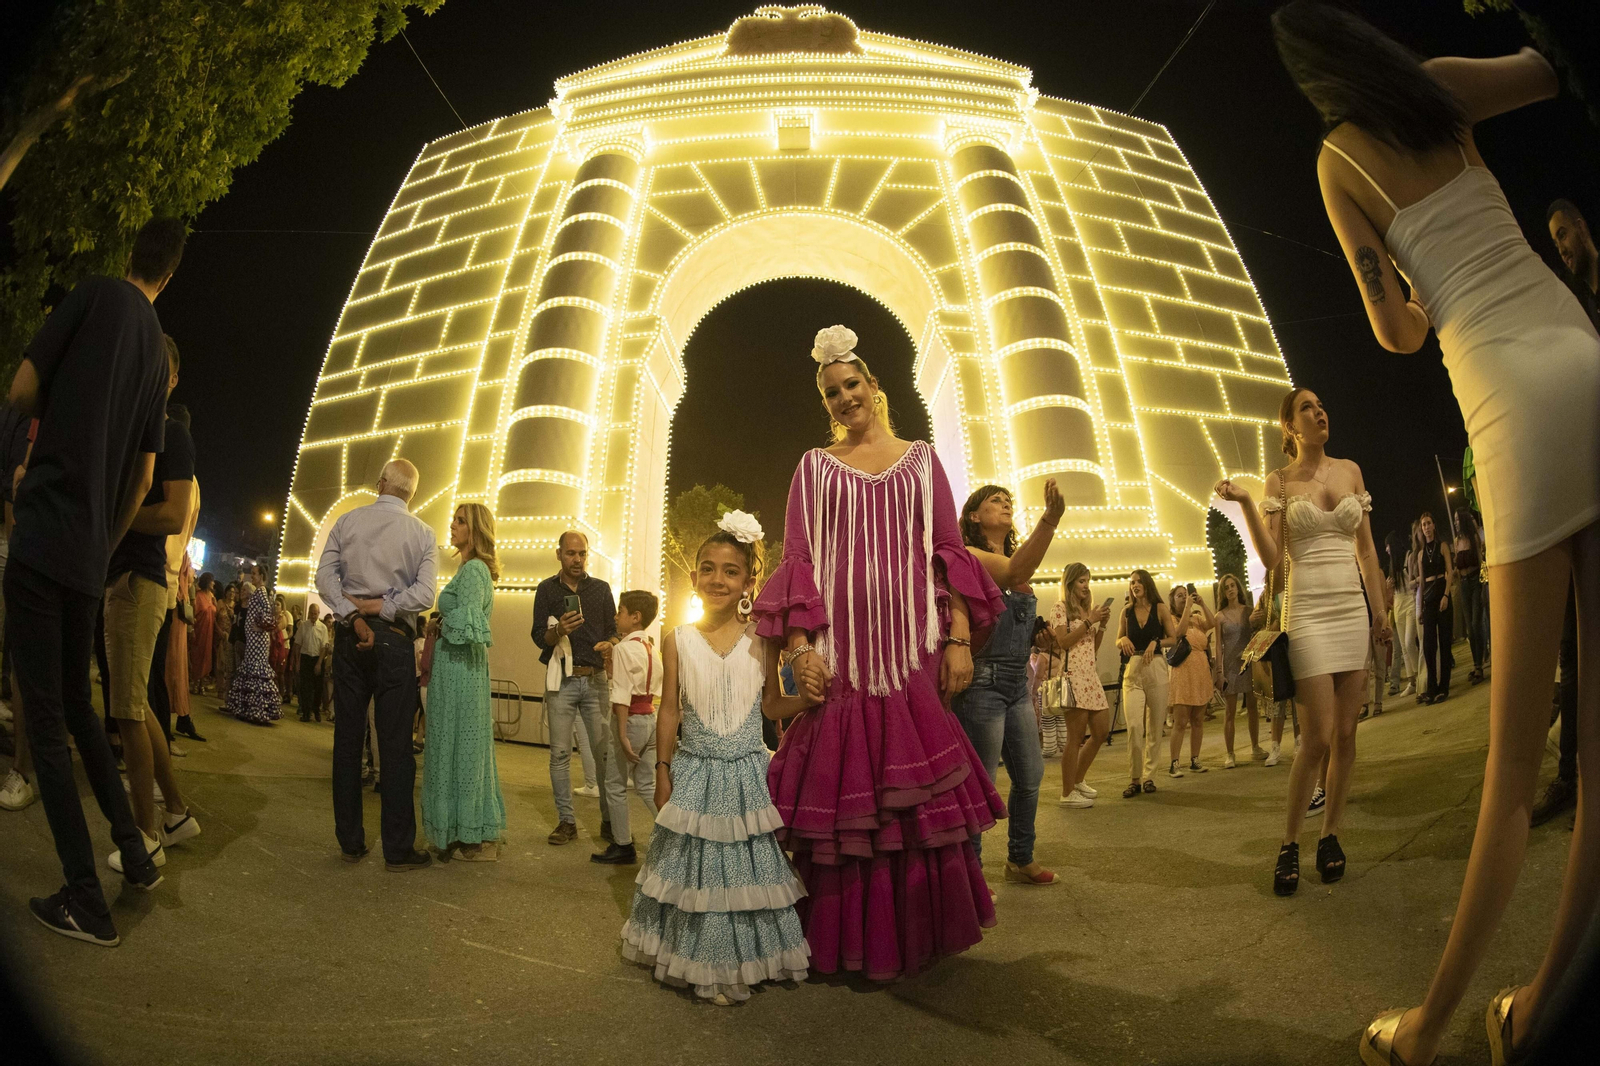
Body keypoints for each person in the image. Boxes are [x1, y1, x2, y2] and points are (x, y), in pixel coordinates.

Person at [1273, 9, 1600, 1060]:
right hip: (1581, 352)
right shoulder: (1441, 89)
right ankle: (1540, 998)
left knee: (1508, 776)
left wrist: (1412, 284)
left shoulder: (1338, 155)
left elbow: (1398, 332)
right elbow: (1552, 71)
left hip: (1508, 397)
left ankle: (1426, 1027)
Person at [754, 325, 1005, 980]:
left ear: (873, 387)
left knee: (910, 809)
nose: (843, 398)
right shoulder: (812, 467)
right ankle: (848, 943)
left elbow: (947, 555)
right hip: (838, 663)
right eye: (832, 392)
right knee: (849, 810)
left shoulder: (922, 459)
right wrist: (801, 649)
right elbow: (800, 562)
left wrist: (954, 640)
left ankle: (913, 938)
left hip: (912, 654)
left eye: (851, 385)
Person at [4, 216, 187, 943]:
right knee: (80, 708)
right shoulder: (157, 358)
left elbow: (21, 388)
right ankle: (134, 854)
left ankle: (85, 895)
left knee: (45, 719)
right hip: (87, 555)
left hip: (43, 529)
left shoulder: (93, 295)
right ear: (169, 275)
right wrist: (104, 540)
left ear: (128, 254)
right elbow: (144, 476)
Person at [621, 518, 813, 1004]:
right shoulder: (676, 638)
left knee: (743, 878)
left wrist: (808, 702)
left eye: (731, 571)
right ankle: (700, 961)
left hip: (747, 774)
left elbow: (771, 706)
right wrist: (662, 771)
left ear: (749, 581)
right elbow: (670, 710)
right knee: (694, 876)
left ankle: (741, 962)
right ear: (695, 578)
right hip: (694, 771)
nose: (717, 579)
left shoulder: (762, 639)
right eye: (708, 569)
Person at [1216, 387, 1389, 898]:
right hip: (1309, 611)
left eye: (1321, 405)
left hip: (1352, 610)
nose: (1320, 412)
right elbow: (1271, 558)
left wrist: (1379, 612)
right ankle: (1289, 842)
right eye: (1307, 408)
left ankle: (1330, 835)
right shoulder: (1280, 482)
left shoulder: (1350, 470)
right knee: (1316, 736)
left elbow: (1369, 553)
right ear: (1290, 426)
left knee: (1348, 735)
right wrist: (1247, 501)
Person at [315, 459, 438, 871]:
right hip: (396, 640)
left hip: (352, 638)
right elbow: (424, 593)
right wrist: (386, 606)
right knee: (397, 747)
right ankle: (398, 848)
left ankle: (351, 841)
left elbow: (324, 576)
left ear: (381, 483)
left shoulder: (348, 521)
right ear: (412, 494)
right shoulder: (422, 533)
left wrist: (352, 613)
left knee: (348, 743)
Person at [955, 479, 1065, 887]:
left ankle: (1020, 857)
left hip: (1017, 682)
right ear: (972, 516)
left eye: (1007, 500)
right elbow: (1017, 570)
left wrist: (1034, 632)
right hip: (982, 681)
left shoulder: (1015, 563)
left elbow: (1017, 578)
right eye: (993, 501)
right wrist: (1050, 519)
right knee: (982, 781)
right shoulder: (970, 555)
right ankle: (971, 872)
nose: (1004, 504)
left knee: (1030, 775)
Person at [531, 530, 631, 862]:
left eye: (582, 554)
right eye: (571, 553)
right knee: (559, 753)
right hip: (561, 678)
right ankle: (566, 821)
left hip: (596, 680)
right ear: (559, 554)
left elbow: (615, 631)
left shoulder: (600, 589)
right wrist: (559, 629)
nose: (577, 559)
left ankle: (608, 819)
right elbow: (538, 636)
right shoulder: (547, 590)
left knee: (604, 755)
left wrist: (611, 645)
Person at [420, 503, 505, 861]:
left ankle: (468, 834)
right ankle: (463, 829)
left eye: (460, 521)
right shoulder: (471, 569)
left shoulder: (472, 569)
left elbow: (467, 626)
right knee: (459, 746)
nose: (452, 526)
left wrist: (441, 622)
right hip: (459, 667)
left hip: (459, 669)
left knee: (457, 745)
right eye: (453, 519)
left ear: (475, 530)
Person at [1049, 562, 1111, 806]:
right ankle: (1066, 793)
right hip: (1073, 676)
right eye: (1081, 581)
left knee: (1101, 731)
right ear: (1070, 583)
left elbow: (1092, 650)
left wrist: (1101, 624)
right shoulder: (1060, 608)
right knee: (1075, 737)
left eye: (1088, 580)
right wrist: (1089, 622)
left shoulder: (1086, 612)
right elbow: (1063, 642)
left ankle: (1077, 780)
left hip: (1090, 676)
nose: (1086, 586)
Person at [597, 590, 663, 816]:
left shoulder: (623, 648)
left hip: (631, 720)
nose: (616, 617)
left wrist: (622, 734)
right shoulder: (653, 650)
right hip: (651, 719)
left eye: (620, 611)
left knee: (615, 786)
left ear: (635, 616)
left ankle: (622, 844)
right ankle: (671, 838)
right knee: (647, 785)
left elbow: (623, 694)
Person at [0, 398, 35, 811]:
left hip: (27, 545)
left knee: (24, 666)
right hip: (18, 541)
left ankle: (23, 769)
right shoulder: (18, 412)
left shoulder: (45, 409)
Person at [1116, 569, 1178, 797]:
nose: (1135, 585)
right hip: (1133, 669)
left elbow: (1173, 637)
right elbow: (1117, 639)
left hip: (1157, 667)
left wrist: (1157, 643)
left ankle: (1149, 776)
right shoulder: (1126, 611)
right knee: (1134, 726)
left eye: (1139, 582)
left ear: (1147, 584)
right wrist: (1121, 638)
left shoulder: (1160, 609)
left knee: (1155, 727)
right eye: (1132, 582)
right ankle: (1135, 779)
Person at [1213, 573, 1264, 767]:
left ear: (1238, 588)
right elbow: (1218, 646)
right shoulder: (1219, 616)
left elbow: (1258, 633)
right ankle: (1230, 753)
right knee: (1230, 711)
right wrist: (1219, 671)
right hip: (1231, 666)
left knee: (1252, 707)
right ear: (1223, 593)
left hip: (1248, 662)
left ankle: (1255, 746)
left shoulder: (1248, 611)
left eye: (1233, 585)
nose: (1230, 590)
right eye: (1226, 587)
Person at [1166, 583, 1215, 776]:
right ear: (1173, 601)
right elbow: (1179, 633)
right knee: (1180, 721)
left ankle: (1195, 758)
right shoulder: (1171, 619)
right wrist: (1187, 606)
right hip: (1183, 672)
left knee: (1198, 720)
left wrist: (1202, 604)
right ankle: (1174, 762)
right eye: (1180, 596)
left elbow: (1212, 623)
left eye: (1186, 595)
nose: (1184, 597)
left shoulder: (1196, 617)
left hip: (1201, 670)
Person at [223, 568, 283, 726]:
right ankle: (250, 709)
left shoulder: (261, 591)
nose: (252, 576)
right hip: (253, 639)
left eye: (255, 574)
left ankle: (256, 710)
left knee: (255, 671)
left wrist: (260, 626)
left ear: (262, 576)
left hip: (257, 640)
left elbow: (266, 614)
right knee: (250, 670)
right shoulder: (259, 592)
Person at [1415, 511, 1456, 705]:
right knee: (1429, 645)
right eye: (1423, 525)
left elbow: (1450, 571)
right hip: (1429, 598)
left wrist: (1446, 595)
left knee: (1445, 642)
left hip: (1442, 593)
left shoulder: (1443, 546)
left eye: (1429, 523)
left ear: (1434, 526)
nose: (1426, 527)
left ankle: (1444, 686)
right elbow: (1422, 582)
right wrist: (1422, 606)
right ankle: (1431, 687)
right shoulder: (1421, 554)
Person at [1454, 505, 1489, 685]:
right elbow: (1457, 567)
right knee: (1469, 627)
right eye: (1455, 520)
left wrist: (1483, 584)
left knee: (1476, 623)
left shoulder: (1474, 538)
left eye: (1458, 520)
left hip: (1476, 581)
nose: (1456, 523)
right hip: (1464, 585)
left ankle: (1480, 665)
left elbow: (1481, 561)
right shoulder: (1456, 541)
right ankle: (1476, 665)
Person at [1385, 529, 1419, 699]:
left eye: (1388, 546)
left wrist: (1411, 584)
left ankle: (1420, 677)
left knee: (1409, 641)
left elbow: (1416, 580)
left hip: (1410, 601)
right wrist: (1388, 587)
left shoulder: (1409, 556)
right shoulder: (1392, 564)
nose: (1386, 550)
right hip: (1398, 603)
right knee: (1404, 647)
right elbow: (1390, 593)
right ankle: (1412, 681)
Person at [294, 602, 326, 722]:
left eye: (315, 613)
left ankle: (316, 710)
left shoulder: (323, 628)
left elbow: (323, 647)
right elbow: (297, 644)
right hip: (306, 658)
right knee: (305, 687)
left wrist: (319, 663)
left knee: (318, 688)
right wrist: (297, 662)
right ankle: (306, 713)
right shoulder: (303, 626)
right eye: (311, 613)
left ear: (318, 614)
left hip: (317, 659)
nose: (313, 616)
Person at [189, 572, 216, 696]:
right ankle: (195, 682)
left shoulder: (212, 597)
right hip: (200, 630)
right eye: (212, 581)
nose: (214, 583)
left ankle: (201, 683)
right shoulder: (198, 596)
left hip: (209, 632)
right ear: (207, 581)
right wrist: (192, 630)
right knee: (197, 655)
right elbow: (194, 614)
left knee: (206, 656)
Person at [212, 584, 236, 699]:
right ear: (226, 592)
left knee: (228, 664)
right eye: (230, 591)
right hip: (220, 636)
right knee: (219, 663)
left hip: (230, 638)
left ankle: (227, 690)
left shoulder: (236, 606)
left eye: (234, 592)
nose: (232, 594)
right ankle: (220, 688)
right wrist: (220, 632)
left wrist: (233, 616)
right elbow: (214, 619)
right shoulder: (220, 603)